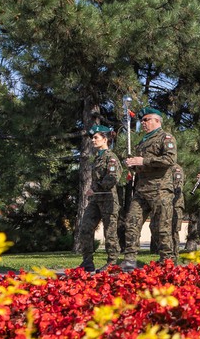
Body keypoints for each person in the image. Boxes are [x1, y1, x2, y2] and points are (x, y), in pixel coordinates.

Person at [121, 107, 177, 271]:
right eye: (141, 121)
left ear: (157, 120)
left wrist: (143, 161)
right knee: (131, 222)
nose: (142, 123)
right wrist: (132, 165)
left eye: (146, 120)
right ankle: (130, 260)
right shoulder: (143, 141)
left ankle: (167, 263)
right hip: (141, 190)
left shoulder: (165, 137)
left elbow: (169, 160)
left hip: (160, 189)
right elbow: (141, 165)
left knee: (162, 227)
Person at [78, 125, 121, 272]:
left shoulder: (111, 157)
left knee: (109, 232)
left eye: (96, 137)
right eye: (92, 137)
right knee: (85, 227)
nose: (93, 140)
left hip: (108, 199)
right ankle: (87, 261)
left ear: (105, 139)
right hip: (96, 200)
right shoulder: (97, 158)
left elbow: (113, 178)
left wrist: (94, 189)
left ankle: (113, 263)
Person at [170, 164, 185, 258]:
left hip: (175, 204)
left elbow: (178, 187)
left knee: (174, 229)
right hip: (165, 203)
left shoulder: (176, 169)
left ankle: (175, 254)